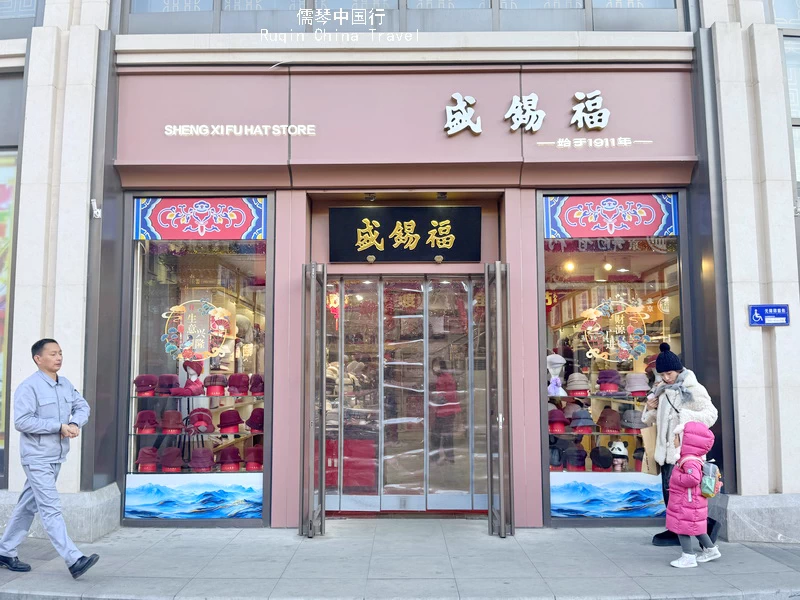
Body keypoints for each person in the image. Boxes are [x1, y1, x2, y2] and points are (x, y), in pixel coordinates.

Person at [0, 339, 99, 579]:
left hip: (56, 456)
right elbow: (22, 421)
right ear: (38, 358)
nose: (59, 357)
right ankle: (74, 559)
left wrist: (74, 423)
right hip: (36, 457)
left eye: (60, 353)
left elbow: (82, 406)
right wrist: (58, 426)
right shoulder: (29, 387)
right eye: (53, 354)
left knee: (27, 505)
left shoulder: (64, 384)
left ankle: (4, 551)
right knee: (50, 507)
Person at [641, 343, 719, 547]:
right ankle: (676, 530)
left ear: (678, 370)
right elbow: (650, 420)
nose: (666, 377)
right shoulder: (661, 390)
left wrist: (684, 417)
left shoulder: (692, 389)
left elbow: (711, 415)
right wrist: (649, 409)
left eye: (669, 373)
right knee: (670, 493)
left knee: (685, 496)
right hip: (666, 452)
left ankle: (706, 526)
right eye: (663, 374)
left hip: (684, 452)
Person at [666, 421, 722, 568]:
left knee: (682, 526)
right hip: (692, 499)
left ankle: (688, 556)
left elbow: (693, 478)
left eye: (677, 437)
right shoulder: (693, 458)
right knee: (695, 526)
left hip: (687, 500)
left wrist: (676, 478)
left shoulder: (688, 460)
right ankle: (711, 549)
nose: (674, 440)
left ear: (686, 440)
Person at [430, 359, 460, 464]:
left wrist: (437, 400)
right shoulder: (444, 377)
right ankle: (448, 456)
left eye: (437, 366)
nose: (435, 368)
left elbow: (446, 395)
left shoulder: (444, 378)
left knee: (438, 435)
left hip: (445, 411)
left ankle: (436, 457)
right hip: (446, 410)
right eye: (434, 366)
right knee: (445, 435)